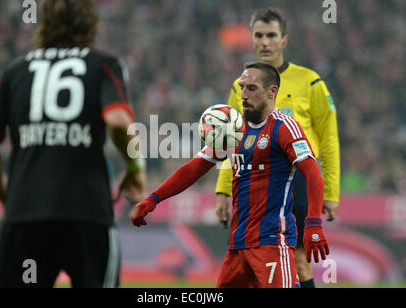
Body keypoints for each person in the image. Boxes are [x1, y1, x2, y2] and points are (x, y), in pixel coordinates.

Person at [0, 0, 146, 288]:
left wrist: (6, 191)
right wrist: (136, 170)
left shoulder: (16, 71)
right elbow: (117, 121)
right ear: (91, 24)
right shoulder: (102, 65)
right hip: (87, 214)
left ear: (44, 25)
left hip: (25, 214)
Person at [130, 61, 329, 288]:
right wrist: (153, 199)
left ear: (272, 91)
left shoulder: (284, 127)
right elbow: (194, 169)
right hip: (238, 246)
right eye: (242, 87)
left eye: (251, 88)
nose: (243, 94)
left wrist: (313, 223)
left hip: (272, 243)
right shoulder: (233, 130)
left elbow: (313, 174)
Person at [214, 8, 340, 288]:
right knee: (255, 265)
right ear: (252, 39)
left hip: (296, 180)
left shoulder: (310, 81)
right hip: (254, 182)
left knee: (300, 261)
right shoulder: (241, 86)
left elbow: (329, 138)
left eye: (272, 35)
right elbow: (230, 140)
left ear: (284, 40)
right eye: (259, 35)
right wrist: (223, 190)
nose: (265, 42)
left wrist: (330, 191)